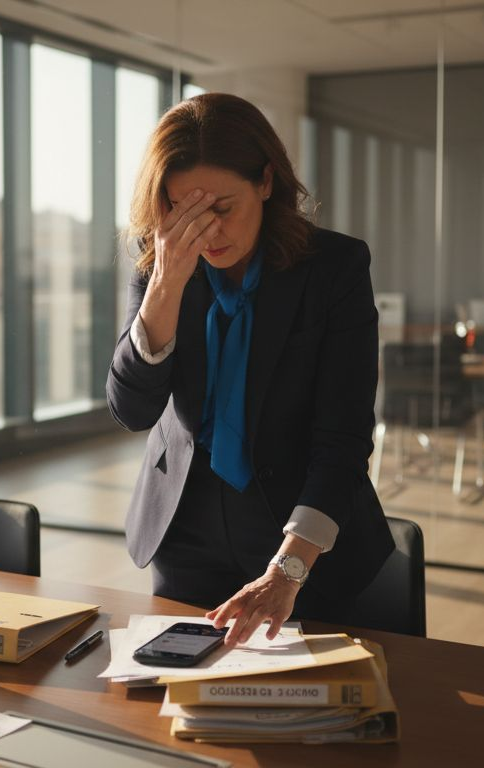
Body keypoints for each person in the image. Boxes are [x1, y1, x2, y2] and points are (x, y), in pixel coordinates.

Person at [106, 93, 393, 647]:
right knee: (179, 692)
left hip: (305, 544)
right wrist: (165, 286)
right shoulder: (161, 259)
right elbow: (132, 410)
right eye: (185, 211)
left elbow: (343, 437)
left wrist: (288, 570)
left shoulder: (334, 268)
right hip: (184, 533)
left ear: (265, 181)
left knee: (308, 695)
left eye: (221, 208)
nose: (207, 233)